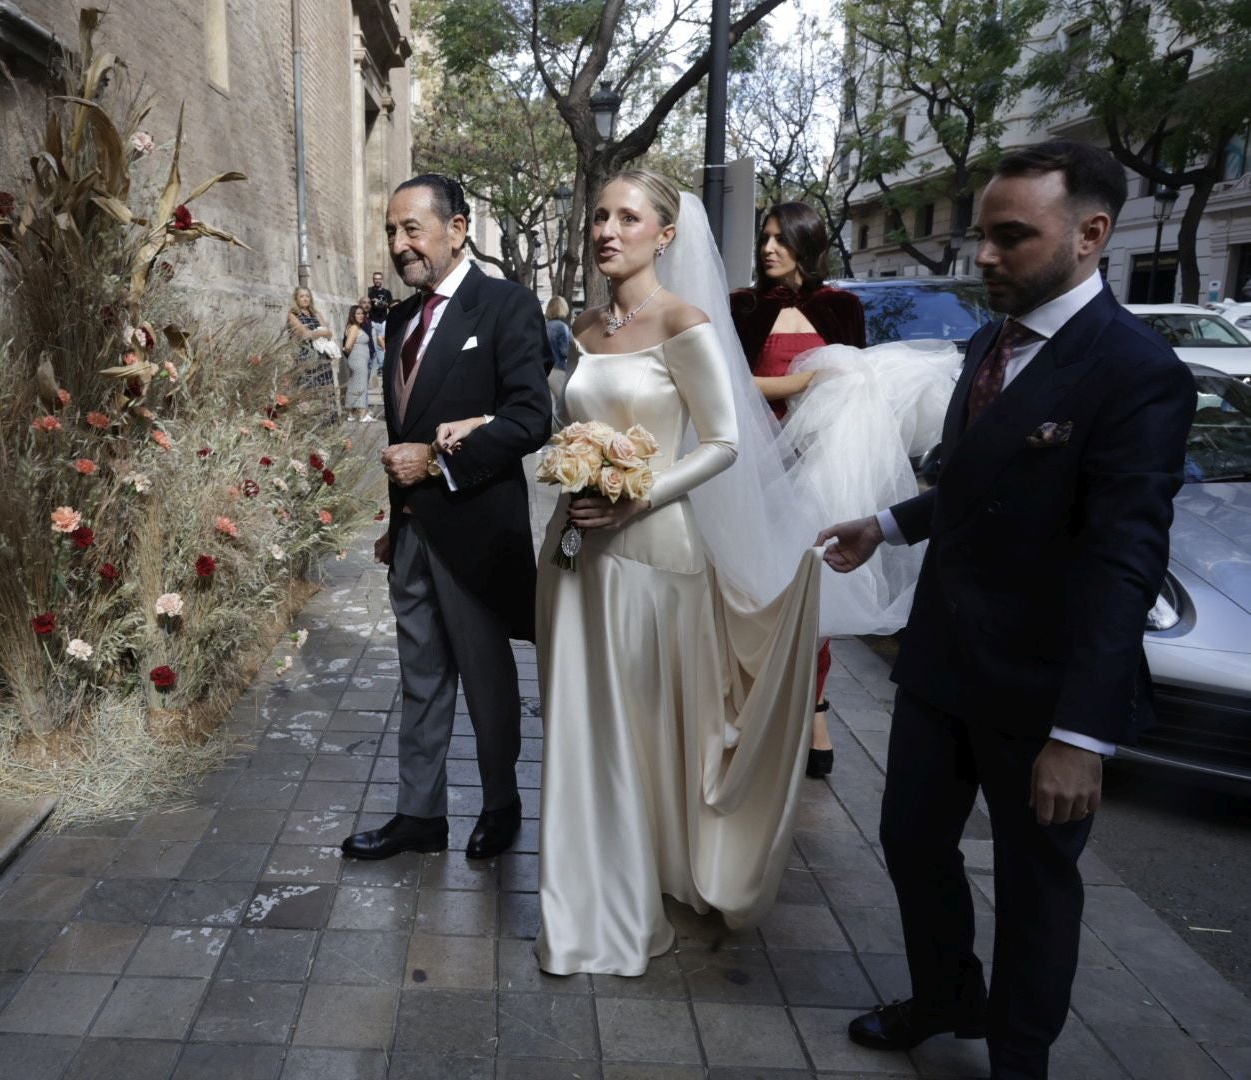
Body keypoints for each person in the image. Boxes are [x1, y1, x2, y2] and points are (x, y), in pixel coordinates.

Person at [816, 141, 1195, 1079]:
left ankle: (1020, 1055)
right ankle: (948, 995)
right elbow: (975, 483)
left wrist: (1083, 733)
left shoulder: (1136, 370)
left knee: (1035, 884)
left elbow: (1124, 560)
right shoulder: (991, 340)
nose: (983, 256)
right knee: (910, 840)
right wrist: (888, 524)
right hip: (943, 661)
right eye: (983, 235)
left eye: (1011, 237)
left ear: (1091, 234)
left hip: (1042, 692)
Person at [438, 169, 823, 976]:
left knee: (640, 729)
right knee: (577, 726)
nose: (607, 229)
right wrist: (496, 427)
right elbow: (566, 418)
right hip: (573, 554)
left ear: (665, 234)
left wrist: (634, 498)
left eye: (629, 217)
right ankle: (584, 902)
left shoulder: (686, 322)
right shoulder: (581, 325)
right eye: (602, 216)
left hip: (654, 555)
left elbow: (721, 444)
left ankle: (635, 887)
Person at [339, 173, 552, 863]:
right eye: (393, 231)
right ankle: (420, 815)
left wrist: (433, 462)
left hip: (477, 534)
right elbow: (404, 423)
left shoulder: (504, 306)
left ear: (457, 229)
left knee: (488, 684)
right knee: (420, 680)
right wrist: (396, 523)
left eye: (413, 229)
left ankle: (501, 805)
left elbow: (530, 417)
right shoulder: (401, 318)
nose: (401, 245)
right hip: (413, 539)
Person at [731, 203, 868, 778]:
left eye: (782, 240)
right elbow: (730, 385)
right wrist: (807, 380)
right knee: (751, 590)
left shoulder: (841, 307)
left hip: (818, 468)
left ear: (807, 245)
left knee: (815, 591)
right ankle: (751, 706)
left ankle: (814, 711)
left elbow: (857, 386)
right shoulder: (744, 307)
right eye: (764, 238)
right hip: (754, 470)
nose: (768, 249)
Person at [286, 286, 335, 388]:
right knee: (308, 389)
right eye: (302, 296)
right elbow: (304, 334)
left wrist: (317, 333)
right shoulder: (293, 315)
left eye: (307, 296)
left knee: (325, 388)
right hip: (305, 357)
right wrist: (321, 333)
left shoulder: (316, 313)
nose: (305, 299)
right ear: (296, 299)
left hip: (322, 356)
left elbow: (329, 334)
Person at [342, 301, 375, 422]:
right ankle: (362, 414)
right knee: (361, 386)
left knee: (354, 386)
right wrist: (351, 353)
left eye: (362, 314)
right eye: (358, 314)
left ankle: (351, 413)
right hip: (358, 360)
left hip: (359, 359)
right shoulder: (354, 328)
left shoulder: (354, 327)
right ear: (352, 315)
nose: (361, 316)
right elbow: (347, 346)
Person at [544, 296, 573, 423]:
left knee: (551, 407)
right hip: (558, 369)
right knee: (566, 404)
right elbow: (564, 351)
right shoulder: (562, 327)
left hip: (544, 371)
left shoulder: (543, 326)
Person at [367, 270, 393, 385]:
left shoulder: (387, 292)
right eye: (375, 278)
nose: (377, 280)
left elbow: (391, 305)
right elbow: (367, 304)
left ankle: (382, 366)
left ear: (382, 280)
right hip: (372, 321)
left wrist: (383, 304)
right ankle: (380, 366)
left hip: (383, 321)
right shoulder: (370, 291)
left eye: (379, 278)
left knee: (382, 344)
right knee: (375, 344)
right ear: (373, 280)